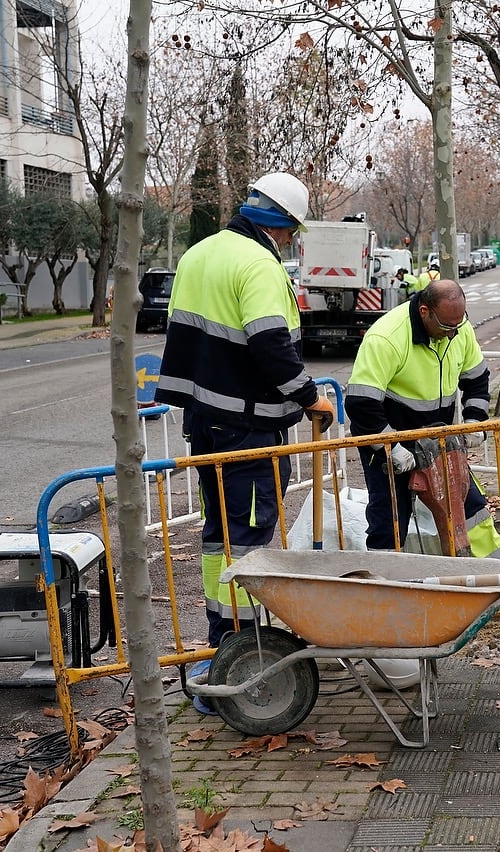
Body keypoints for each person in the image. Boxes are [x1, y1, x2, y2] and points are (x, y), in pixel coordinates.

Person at [155, 172, 335, 658]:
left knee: (219, 536)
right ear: (280, 225)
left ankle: (222, 637)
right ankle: (245, 649)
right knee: (250, 538)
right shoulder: (257, 263)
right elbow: (269, 341)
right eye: (291, 231)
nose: (290, 241)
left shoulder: (199, 253)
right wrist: (308, 397)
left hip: (206, 424)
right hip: (249, 429)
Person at [345, 279, 500, 559]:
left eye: (458, 324)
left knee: (469, 507)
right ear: (424, 311)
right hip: (390, 439)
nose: (452, 333)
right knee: (390, 517)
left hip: (439, 440)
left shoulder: (457, 329)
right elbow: (361, 403)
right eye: (446, 326)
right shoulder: (387, 337)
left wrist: (474, 420)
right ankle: (386, 584)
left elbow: (477, 379)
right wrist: (390, 447)